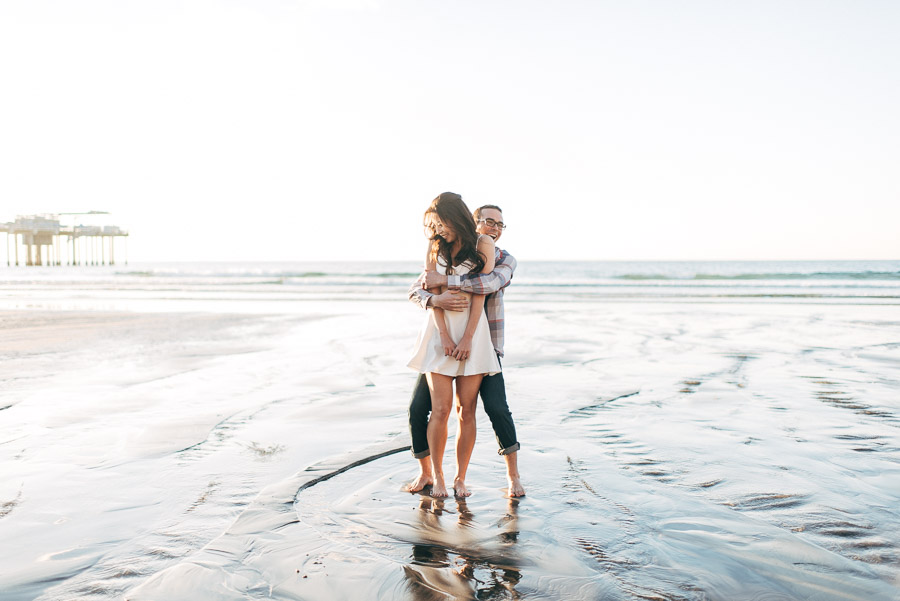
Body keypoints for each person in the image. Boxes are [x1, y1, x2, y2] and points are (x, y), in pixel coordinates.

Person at [406, 202, 525, 497]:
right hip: (441, 336)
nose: (495, 228)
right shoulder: (440, 246)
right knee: (420, 409)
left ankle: (511, 476)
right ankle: (428, 474)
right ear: (472, 221)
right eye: (489, 221)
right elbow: (418, 288)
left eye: (500, 224)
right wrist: (436, 299)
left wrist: (445, 282)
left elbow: (488, 284)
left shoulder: (504, 257)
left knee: (493, 409)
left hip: (485, 343)